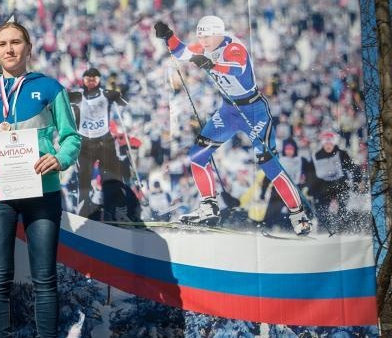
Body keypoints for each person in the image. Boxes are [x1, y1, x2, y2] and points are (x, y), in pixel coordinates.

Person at [0, 21, 81, 338]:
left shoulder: (49, 88)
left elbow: (71, 137)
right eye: (2, 44)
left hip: (42, 191)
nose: (9, 49)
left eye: (16, 42)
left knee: (44, 277)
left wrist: (59, 158)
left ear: (28, 48)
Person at [154, 16, 312, 235]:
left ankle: (298, 215)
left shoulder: (234, 47)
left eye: (207, 36)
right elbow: (181, 52)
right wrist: (169, 36)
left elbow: (237, 68)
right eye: (201, 37)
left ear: (219, 33)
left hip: (253, 110)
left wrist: (211, 63)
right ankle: (209, 207)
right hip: (229, 111)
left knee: (268, 163)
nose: (203, 41)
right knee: (197, 154)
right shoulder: (205, 46)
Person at [68, 67, 128, 218]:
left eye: (94, 79)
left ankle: (116, 211)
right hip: (85, 144)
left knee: (112, 177)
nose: (91, 82)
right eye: (88, 79)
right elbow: (60, 98)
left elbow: (123, 102)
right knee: (84, 180)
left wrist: (120, 91)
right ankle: (82, 213)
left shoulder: (106, 94)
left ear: (99, 80)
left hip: (104, 142)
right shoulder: (78, 95)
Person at [310, 130, 361, 233]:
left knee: (343, 206)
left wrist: (358, 180)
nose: (328, 146)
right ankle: (323, 229)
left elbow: (352, 167)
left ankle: (343, 229)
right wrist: (310, 189)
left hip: (340, 182)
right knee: (321, 207)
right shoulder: (316, 155)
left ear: (334, 143)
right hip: (323, 185)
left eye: (330, 144)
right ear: (323, 144)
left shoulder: (341, 153)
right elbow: (311, 174)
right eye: (326, 144)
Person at [260, 137, 310, 230]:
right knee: (272, 210)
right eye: (287, 149)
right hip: (279, 190)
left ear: (295, 149)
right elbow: (267, 176)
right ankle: (267, 227)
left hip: (294, 190)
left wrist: (305, 183)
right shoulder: (278, 160)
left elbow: (310, 173)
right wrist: (263, 192)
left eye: (291, 149)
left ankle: (301, 228)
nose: (289, 151)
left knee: (296, 211)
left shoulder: (301, 160)